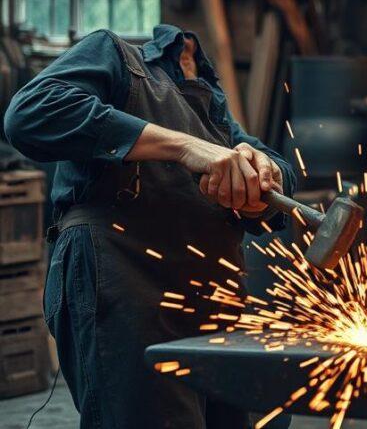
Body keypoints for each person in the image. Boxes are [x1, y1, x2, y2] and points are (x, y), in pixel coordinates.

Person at [5, 25, 297, 428]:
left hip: (212, 298)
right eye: (184, 53)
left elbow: (281, 172)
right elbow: (30, 112)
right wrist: (184, 146)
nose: (191, 60)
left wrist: (264, 174)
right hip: (123, 282)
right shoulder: (118, 58)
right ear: (170, 48)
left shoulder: (216, 115)